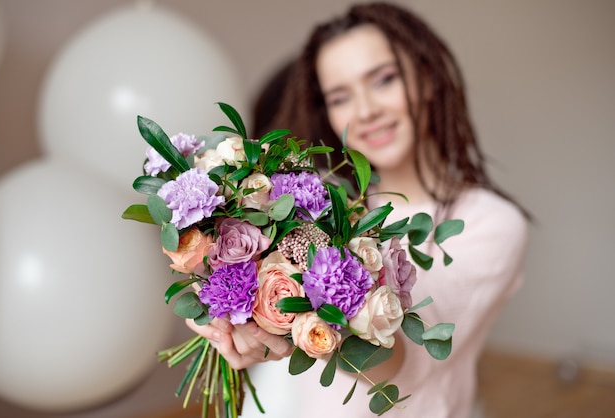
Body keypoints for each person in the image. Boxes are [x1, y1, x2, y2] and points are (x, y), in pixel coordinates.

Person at [187, 2, 529, 417]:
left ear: (427, 77)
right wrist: (242, 312)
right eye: (340, 96)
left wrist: (315, 315)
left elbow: (405, 366)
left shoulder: (491, 223)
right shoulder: (323, 204)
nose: (366, 111)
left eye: (384, 79)